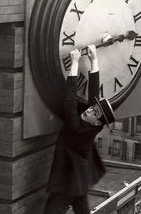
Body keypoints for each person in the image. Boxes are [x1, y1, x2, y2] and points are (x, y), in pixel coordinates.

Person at [44, 46, 116, 214]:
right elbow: (94, 97)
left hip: (68, 182)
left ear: (97, 121)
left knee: (52, 210)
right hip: (78, 178)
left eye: (93, 112)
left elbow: (70, 102)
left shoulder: (78, 128)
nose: (89, 110)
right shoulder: (92, 124)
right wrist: (94, 61)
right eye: (92, 109)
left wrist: (74, 64)